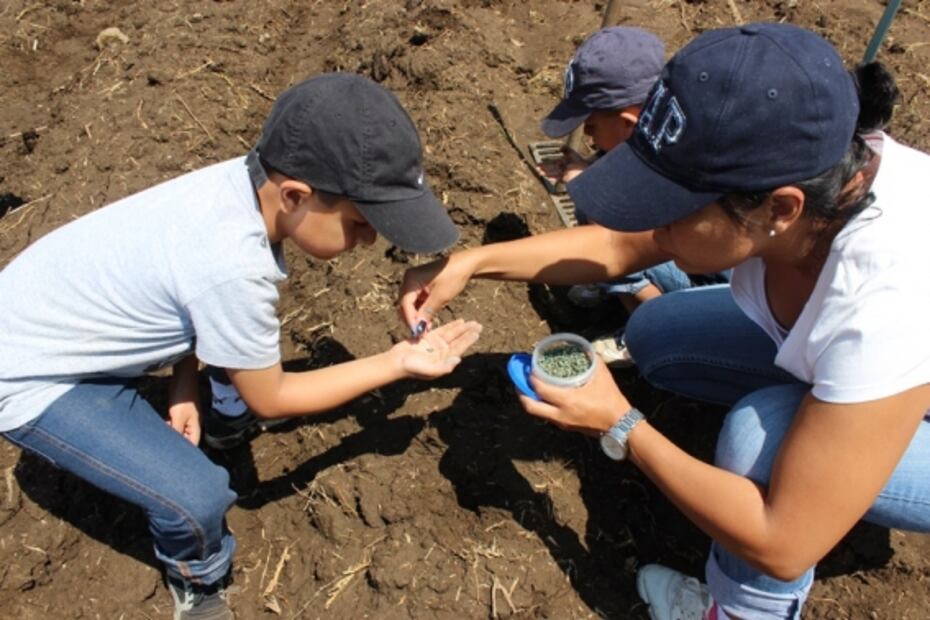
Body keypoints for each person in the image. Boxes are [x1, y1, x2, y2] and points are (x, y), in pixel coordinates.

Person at [401, 22, 929, 620]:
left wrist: (622, 424)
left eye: (672, 210)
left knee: (761, 437)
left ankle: (734, 612)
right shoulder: (804, 178)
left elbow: (785, 543)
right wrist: (473, 263)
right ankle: (824, 420)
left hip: (903, 397)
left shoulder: (884, 290)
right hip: (868, 363)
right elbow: (619, 249)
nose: (654, 224)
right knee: (660, 335)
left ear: (779, 209)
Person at [0, 73, 482, 620]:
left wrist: (184, 381)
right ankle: (199, 583)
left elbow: (180, 293)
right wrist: (397, 361)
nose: (371, 240)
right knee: (196, 498)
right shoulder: (232, 267)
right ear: (296, 195)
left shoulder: (235, 185)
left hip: (59, 321)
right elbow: (272, 398)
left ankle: (218, 411)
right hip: (33, 378)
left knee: (244, 341)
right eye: (360, 222)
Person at [536, 26, 728, 366]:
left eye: (592, 127)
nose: (590, 137)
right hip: (721, 270)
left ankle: (649, 333)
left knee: (598, 222)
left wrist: (588, 182)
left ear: (628, 121)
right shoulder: (677, 121)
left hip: (721, 299)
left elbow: (617, 237)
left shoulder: (686, 164)